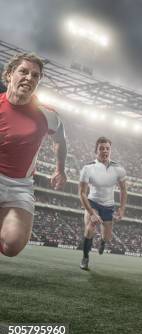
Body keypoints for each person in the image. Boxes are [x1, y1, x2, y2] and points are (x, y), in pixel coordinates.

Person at [0, 52, 67, 257]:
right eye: (24, 71)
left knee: (12, 246)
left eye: (35, 75)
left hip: (20, 186)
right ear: (10, 74)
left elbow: (61, 142)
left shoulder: (47, 115)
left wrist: (60, 169)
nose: (29, 77)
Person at [78, 137, 127, 270]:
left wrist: (122, 209)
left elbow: (123, 190)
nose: (105, 151)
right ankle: (85, 257)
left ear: (110, 150)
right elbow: (82, 193)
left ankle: (103, 242)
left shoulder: (119, 169)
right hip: (93, 202)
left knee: (107, 237)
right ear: (96, 151)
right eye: (101, 148)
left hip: (109, 206)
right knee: (90, 228)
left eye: (107, 148)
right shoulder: (88, 168)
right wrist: (91, 212)